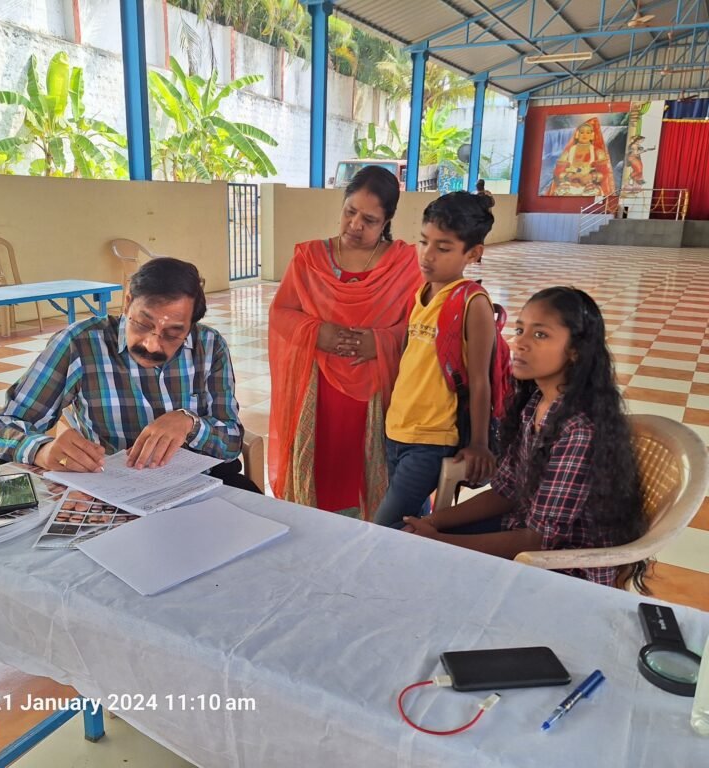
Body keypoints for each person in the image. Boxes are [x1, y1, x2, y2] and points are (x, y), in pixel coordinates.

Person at [403, 287, 648, 589]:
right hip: (523, 533)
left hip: (565, 569)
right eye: (520, 330)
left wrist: (441, 543)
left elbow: (540, 540)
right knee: (407, 542)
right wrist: (433, 523)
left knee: (429, 567)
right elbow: (507, 490)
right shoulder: (535, 405)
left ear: (575, 351)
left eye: (540, 335)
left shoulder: (579, 428)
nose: (519, 343)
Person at [0, 257, 260, 492]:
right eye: (142, 324)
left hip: (201, 487)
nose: (152, 344)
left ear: (190, 326)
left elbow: (231, 442)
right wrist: (42, 450)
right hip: (114, 492)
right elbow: (0, 427)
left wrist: (190, 424)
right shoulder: (80, 344)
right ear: (128, 303)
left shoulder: (209, 346)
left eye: (173, 334)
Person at [268, 165, 421, 519]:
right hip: (319, 387)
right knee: (323, 469)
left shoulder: (404, 264)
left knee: (367, 477)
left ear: (387, 220)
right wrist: (319, 332)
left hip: (377, 390)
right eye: (350, 212)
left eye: (369, 219)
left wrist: (380, 342)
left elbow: (420, 326)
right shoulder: (311, 258)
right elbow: (282, 312)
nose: (355, 225)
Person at [373, 192, 498, 528]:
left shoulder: (473, 303)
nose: (427, 255)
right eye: (423, 242)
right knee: (416, 521)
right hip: (398, 429)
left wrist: (480, 444)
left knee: (384, 526)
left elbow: (480, 379)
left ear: (473, 253)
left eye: (443, 248)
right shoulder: (423, 293)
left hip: (433, 439)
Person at [546, 118, 615, 197]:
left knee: (594, 193)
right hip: (569, 185)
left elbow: (604, 174)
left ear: (592, 135)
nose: (585, 135)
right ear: (577, 135)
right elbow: (558, 172)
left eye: (588, 132)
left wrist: (590, 177)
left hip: (588, 186)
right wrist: (572, 176)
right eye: (582, 132)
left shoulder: (598, 152)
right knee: (559, 192)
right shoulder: (567, 152)